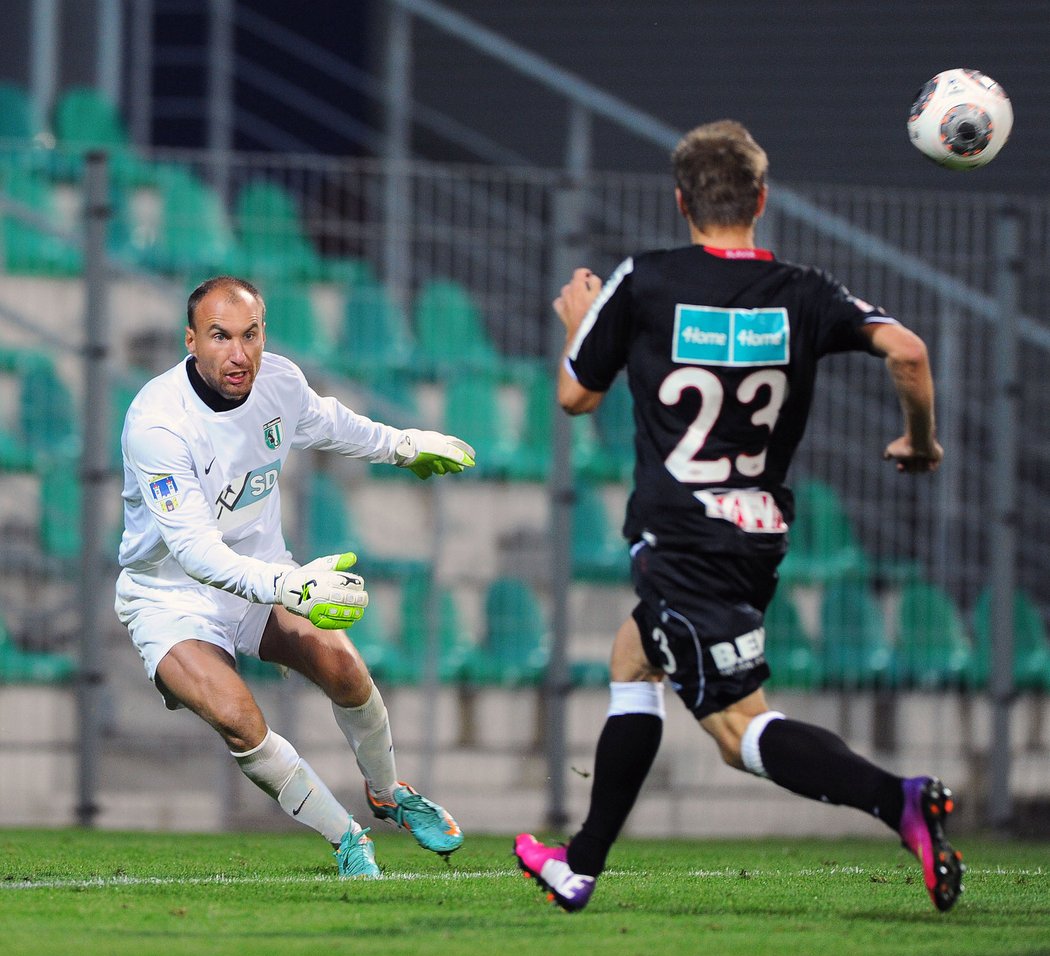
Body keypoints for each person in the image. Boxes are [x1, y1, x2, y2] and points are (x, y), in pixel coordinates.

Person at [514, 120, 964, 913]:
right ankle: (579, 863)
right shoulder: (806, 292)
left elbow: (574, 396)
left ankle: (898, 798)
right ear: (761, 199)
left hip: (680, 536)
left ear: (680, 200)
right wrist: (921, 443)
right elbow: (910, 352)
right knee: (633, 657)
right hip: (754, 535)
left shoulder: (646, 281)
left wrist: (582, 322)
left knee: (738, 732)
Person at [116, 275, 475, 877]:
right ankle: (346, 838)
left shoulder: (277, 380)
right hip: (169, 597)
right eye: (220, 337)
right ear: (191, 341)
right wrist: (287, 586)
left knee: (345, 668)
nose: (239, 354)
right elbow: (196, 552)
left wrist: (405, 445)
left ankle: (390, 793)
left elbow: (330, 423)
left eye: (250, 335)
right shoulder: (157, 424)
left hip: (263, 579)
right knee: (238, 718)